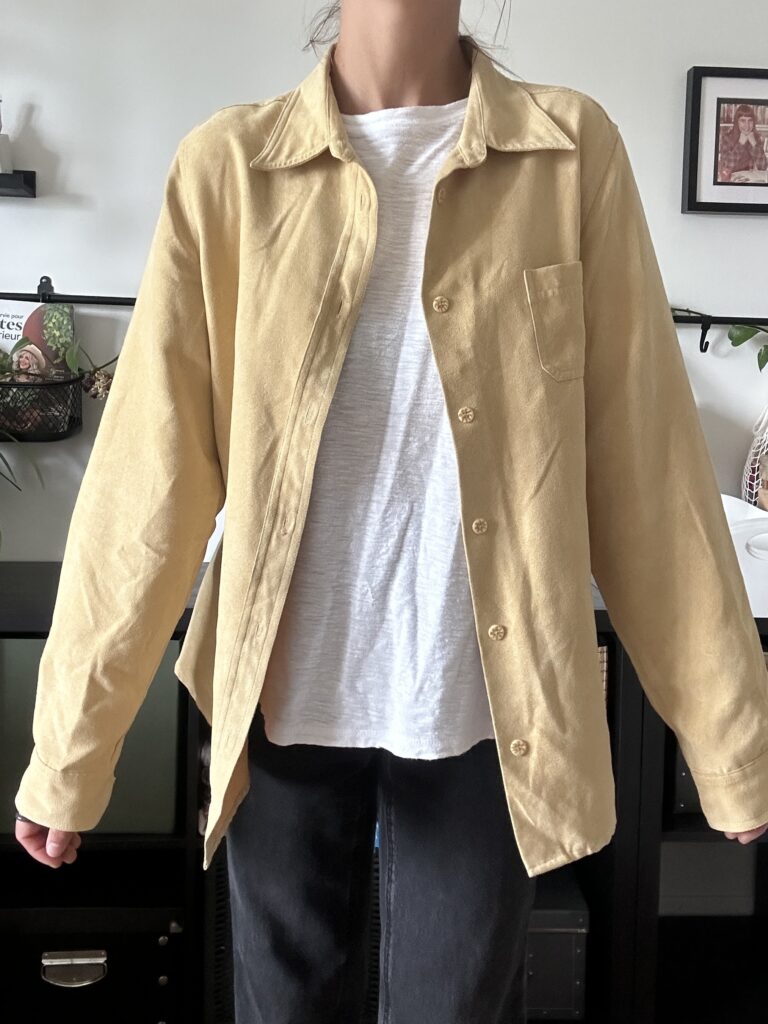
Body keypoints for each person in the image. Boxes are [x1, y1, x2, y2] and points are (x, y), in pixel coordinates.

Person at [15, 2, 768, 1022]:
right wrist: (71, 750)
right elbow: (145, 486)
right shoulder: (229, 169)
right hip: (279, 703)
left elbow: (646, 468)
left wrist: (729, 740)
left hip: (488, 708)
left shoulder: (568, 152)